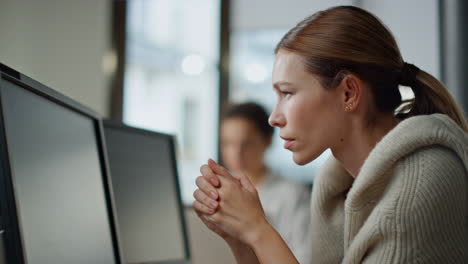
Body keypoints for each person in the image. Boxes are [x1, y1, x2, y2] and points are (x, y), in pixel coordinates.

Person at [192, 5, 468, 264]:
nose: (274, 117)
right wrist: (241, 239)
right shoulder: (338, 188)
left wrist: (256, 229)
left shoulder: (419, 184)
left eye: (287, 93)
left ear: (348, 92)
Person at [218, 102, 311, 263]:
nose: (236, 154)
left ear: (267, 141)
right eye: (228, 144)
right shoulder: (218, 192)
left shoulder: (293, 195)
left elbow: (304, 258)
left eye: (246, 144)